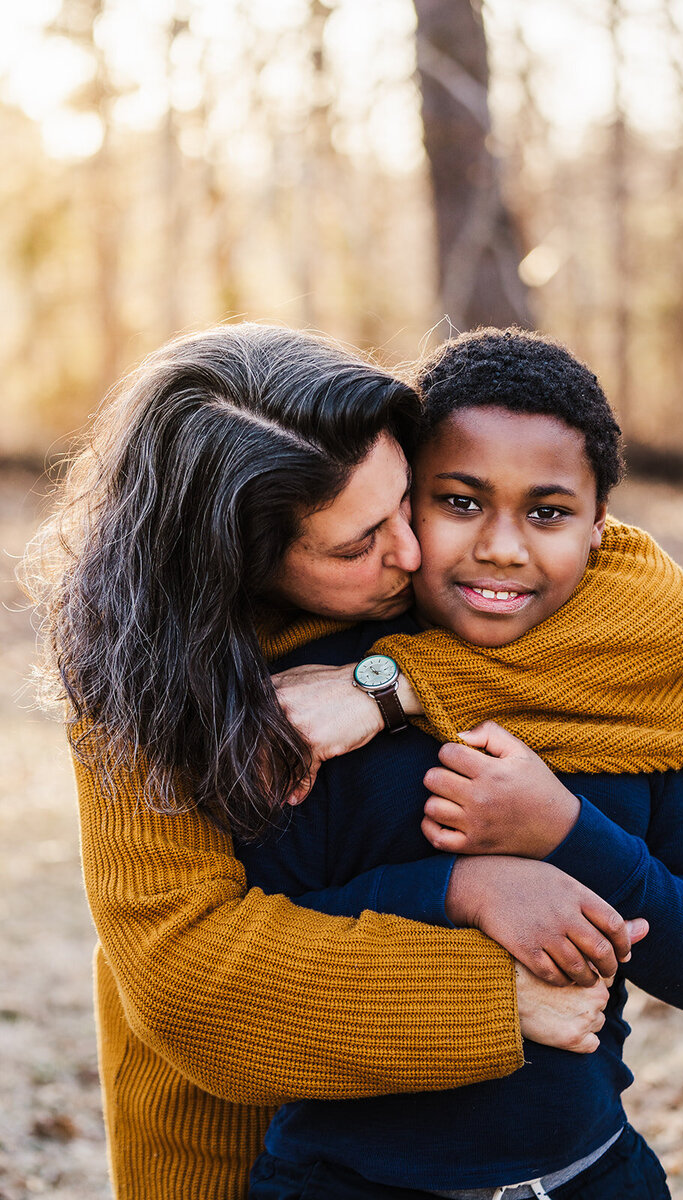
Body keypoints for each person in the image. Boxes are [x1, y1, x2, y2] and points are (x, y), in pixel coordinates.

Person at [24, 323, 643, 1200]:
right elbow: (186, 977)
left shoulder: (437, 565)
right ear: (233, 561)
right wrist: (496, 997)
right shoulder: (132, 676)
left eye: (408, 501)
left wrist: (391, 683)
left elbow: (654, 606)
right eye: (357, 545)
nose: (416, 551)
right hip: (217, 1140)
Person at [239, 328, 683, 1199]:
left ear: (602, 526)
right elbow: (267, 938)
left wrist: (562, 830)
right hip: (342, 1179)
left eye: (549, 513)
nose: (503, 547)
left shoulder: (636, 692)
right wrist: (466, 887)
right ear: (405, 500)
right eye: (460, 501)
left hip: (589, 1173)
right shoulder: (321, 696)